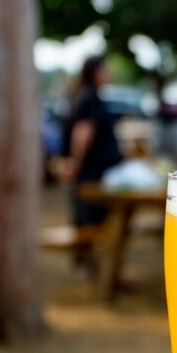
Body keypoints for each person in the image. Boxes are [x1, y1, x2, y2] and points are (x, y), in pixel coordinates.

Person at [62, 55, 122, 228]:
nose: (109, 73)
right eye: (105, 69)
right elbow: (82, 133)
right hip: (93, 173)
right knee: (92, 220)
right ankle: (87, 254)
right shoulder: (90, 98)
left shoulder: (82, 95)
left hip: (93, 172)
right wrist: (76, 163)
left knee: (89, 219)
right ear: (96, 72)